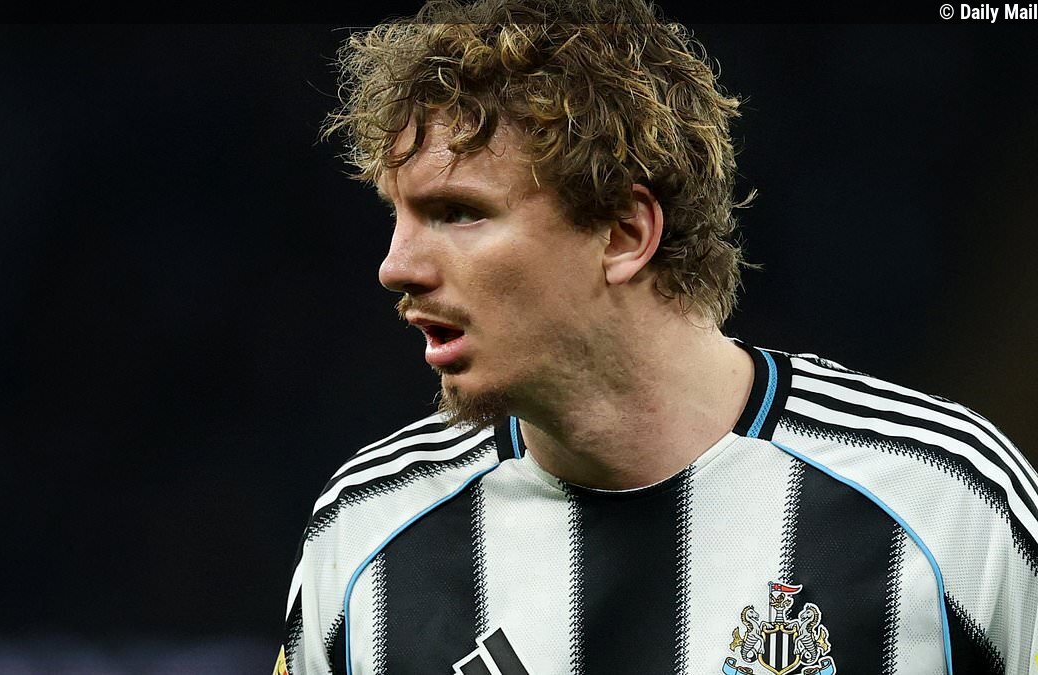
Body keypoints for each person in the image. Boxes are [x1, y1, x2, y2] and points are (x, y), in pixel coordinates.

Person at [274, 1, 1038, 673]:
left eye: (458, 213)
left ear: (624, 233)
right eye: (399, 216)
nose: (396, 266)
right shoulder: (365, 533)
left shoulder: (948, 503)